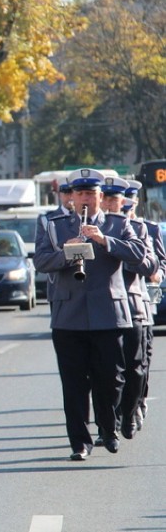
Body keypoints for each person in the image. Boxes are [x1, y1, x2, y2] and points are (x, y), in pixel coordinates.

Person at [34, 168, 145, 460]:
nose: (85, 200)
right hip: (68, 315)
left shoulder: (118, 223)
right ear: (72, 197)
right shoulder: (53, 224)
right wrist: (66, 253)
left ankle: (108, 428)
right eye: (80, 194)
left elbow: (138, 253)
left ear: (100, 197)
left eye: (91, 195)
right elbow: (42, 262)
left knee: (111, 379)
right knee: (73, 383)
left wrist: (104, 241)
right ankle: (79, 443)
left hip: (108, 313)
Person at [101, 178, 156, 442]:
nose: (111, 204)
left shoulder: (136, 228)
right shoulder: (87, 228)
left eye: (116, 199)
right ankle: (108, 423)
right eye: (107, 199)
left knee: (135, 367)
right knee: (105, 370)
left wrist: (116, 250)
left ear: (125, 202)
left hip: (133, 306)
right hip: (106, 307)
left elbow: (149, 265)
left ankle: (131, 410)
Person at [123, 181, 166, 429]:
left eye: (129, 202)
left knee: (140, 361)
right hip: (114, 307)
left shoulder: (148, 228)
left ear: (135, 203)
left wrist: (157, 273)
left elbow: (160, 262)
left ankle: (137, 402)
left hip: (143, 305)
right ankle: (116, 413)